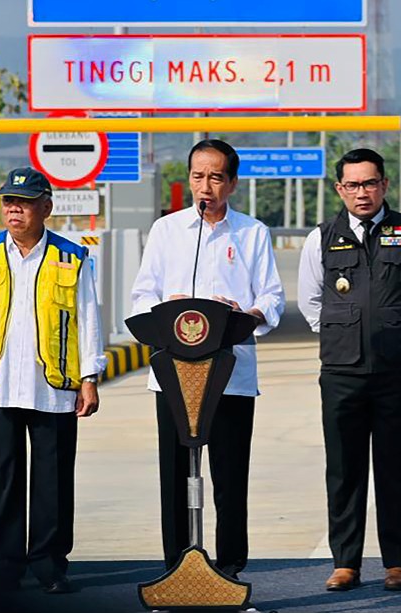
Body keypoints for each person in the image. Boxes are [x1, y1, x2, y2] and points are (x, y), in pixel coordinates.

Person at [130, 139, 285, 579]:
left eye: (216, 177)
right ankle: (176, 567)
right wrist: (167, 306)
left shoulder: (252, 232)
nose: (206, 186)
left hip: (229, 372)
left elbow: (271, 297)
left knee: (231, 475)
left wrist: (244, 313)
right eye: (198, 176)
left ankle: (230, 566)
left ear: (232, 183)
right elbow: (143, 295)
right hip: (174, 375)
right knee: (176, 474)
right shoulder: (166, 231)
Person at [297, 148, 401, 592]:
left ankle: (397, 562)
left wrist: (390, 331)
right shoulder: (321, 237)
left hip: (395, 369)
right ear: (340, 189)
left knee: (397, 467)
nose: (362, 192)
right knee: (344, 469)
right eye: (353, 185)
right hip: (341, 372)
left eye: (370, 183)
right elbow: (310, 302)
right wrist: (346, 334)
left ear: (384, 185)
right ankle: (346, 562)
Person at [0, 167, 105, 594]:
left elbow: (88, 318)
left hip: (54, 386)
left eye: (24, 202)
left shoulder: (73, 257)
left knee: (53, 479)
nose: (14, 208)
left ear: (45, 207)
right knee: (2, 477)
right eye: (8, 201)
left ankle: (49, 563)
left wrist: (89, 377)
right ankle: (5, 562)